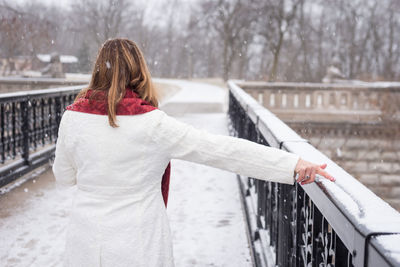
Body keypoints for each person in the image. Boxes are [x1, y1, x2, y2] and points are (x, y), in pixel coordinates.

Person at [52, 38, 335, 267]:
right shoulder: (152, 124)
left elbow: (64, 177)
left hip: (85, 240)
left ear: (98, 70)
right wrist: (292, 164)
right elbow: (222, 150)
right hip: (137, 243)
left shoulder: (73, 117)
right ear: (139, 72)